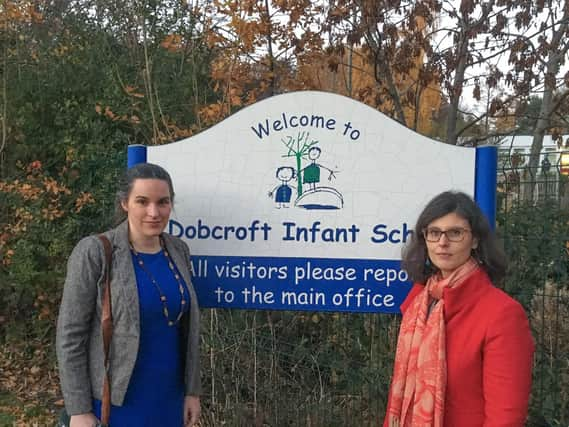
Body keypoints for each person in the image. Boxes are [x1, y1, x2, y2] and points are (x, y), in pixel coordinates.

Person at [56, 163, 201, 427]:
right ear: (125, 203)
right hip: (115, 402)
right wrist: (79, 409)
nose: (153, 212)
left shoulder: (179, 250)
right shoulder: (96, 252)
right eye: (142, 202)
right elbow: (70, 335)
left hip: (169, 398)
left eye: (163, 202)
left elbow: (186, 331)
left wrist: (191, 391)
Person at [384, 191, 534, 427]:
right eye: (434, 233)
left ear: (475, 240)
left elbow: (505, 418)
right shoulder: (419, 304)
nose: (443, 242)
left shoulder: (502, 314)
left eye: (455, 233)